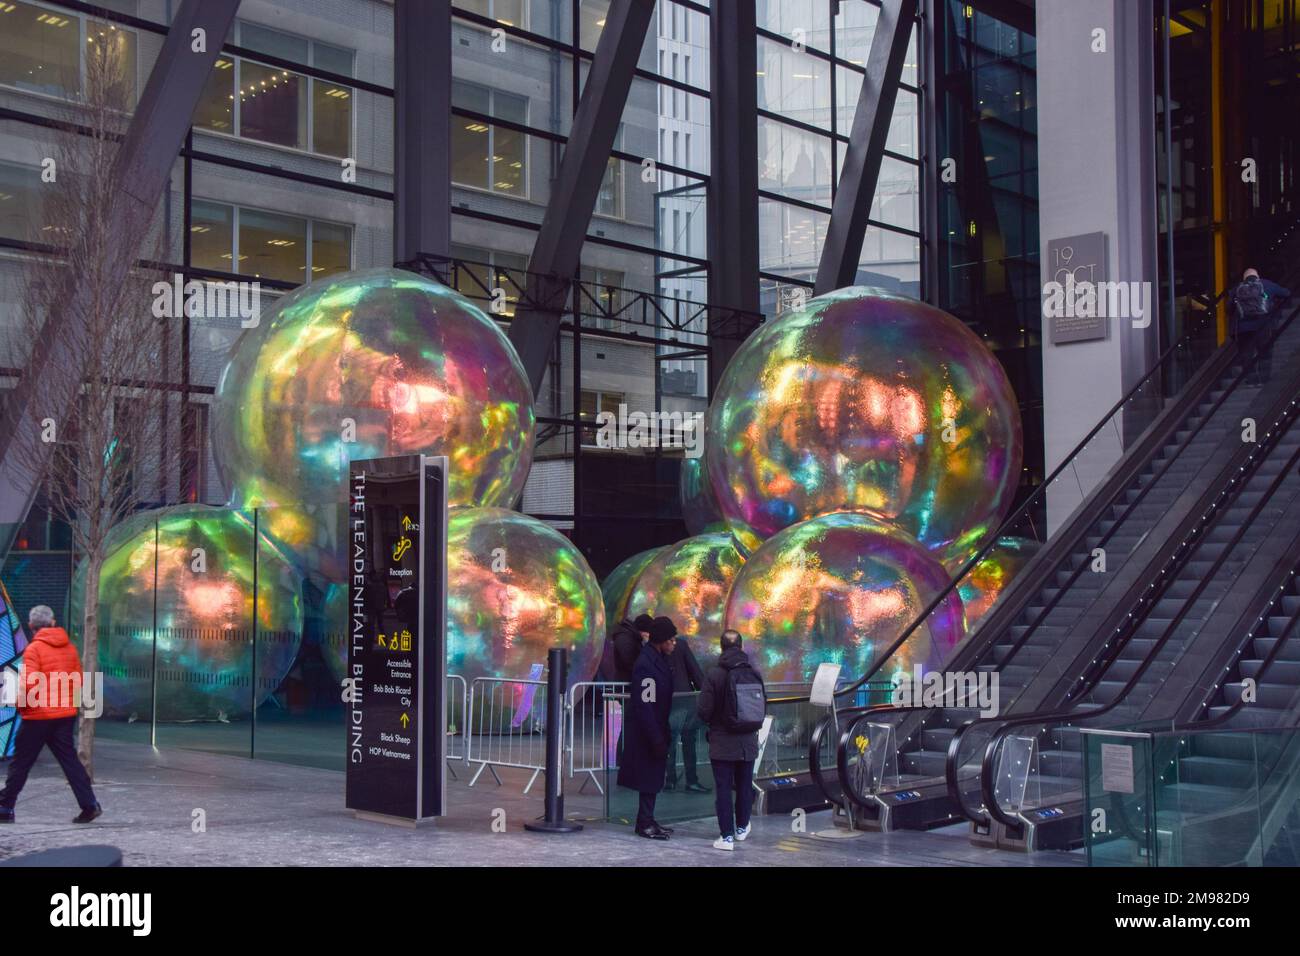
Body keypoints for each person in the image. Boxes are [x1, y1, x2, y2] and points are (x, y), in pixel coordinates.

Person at [0, 606, 101, 824]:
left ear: (30, 626)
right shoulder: (70, 647)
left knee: (21, 762)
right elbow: (78, 680)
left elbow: (30, 683)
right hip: (64, 715)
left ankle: (5, 807)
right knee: (69, 760)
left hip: (38, 716)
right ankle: (90, 804)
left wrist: (20, 706)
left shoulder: (34, 649)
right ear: (53, 622)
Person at [696, 629, 766, 851]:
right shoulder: (753, 673)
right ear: (741, 647)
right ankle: (742, 828)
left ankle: (726, 837)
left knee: (723, 789)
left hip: (722, 741)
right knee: (744, 786)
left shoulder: (714, 674)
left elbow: (704, 710)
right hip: (747, 741)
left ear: (721, 647)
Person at [616, 616, 677, 839]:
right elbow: (645, 705)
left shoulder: (658, 660)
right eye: (671, 639)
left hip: (656, 728)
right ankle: (644, 822)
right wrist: (655, 737)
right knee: (648, 777)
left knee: (653, 778)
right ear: (661, 640)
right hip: (648, 732)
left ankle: (648, 818)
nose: (674, 644)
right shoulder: (646, 665)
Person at [663, 628, 709, 793]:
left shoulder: (654, 648)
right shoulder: (681, 645)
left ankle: (670, 778)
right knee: (689, 740)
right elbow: (694, 670)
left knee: (670, 741)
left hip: (667, 700)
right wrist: (704, 693)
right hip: (685, 699)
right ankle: (691, 780)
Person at [1231, 268, 1290, 385]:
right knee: (1265, 353)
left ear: (1244, 278)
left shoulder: (1237, 289)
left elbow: (1229, 308)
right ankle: (1264, 380)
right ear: (1257, 276)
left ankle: (1251, 381)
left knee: (1247, 354)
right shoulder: (1266, 284)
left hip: (1244, 329)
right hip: (1264, 325)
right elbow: (1286, 293)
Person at [610, 613, 653, 685]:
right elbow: (630, 660)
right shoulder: (625, 637)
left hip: (629, 682)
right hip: (626, 683)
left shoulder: (632, 637)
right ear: (644, 632)